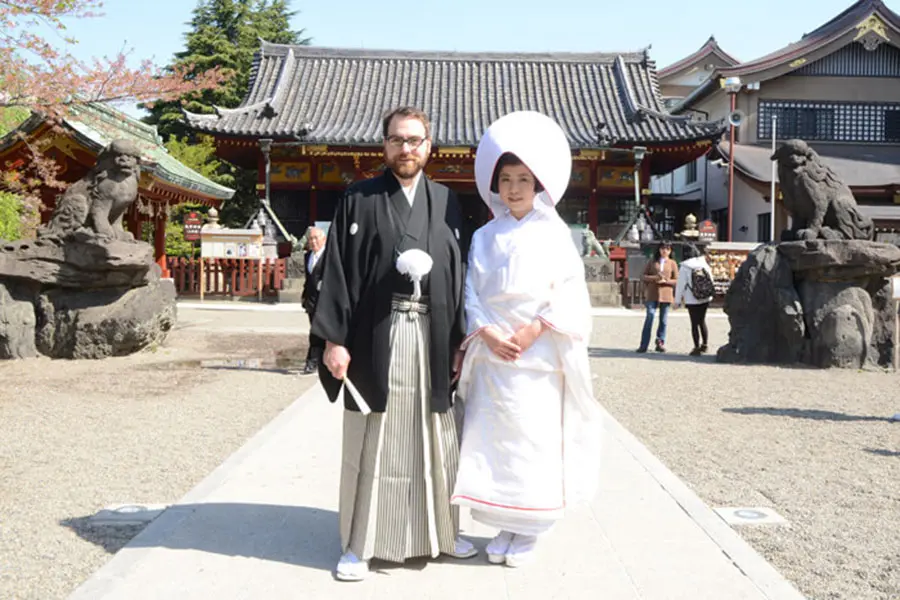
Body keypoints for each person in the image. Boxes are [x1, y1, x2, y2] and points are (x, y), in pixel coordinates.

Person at [310, 106, 476, 581]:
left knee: (435, 435)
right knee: (373, 438)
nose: (407, 149)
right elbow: (337, 270)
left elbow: (458, 273)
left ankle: (442, 533)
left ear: (430, 146)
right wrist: (334, 340)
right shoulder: (359, 198)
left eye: (416, 140)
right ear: (383, 145)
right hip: (375, 337)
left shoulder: (445, 201)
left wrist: (460, 340)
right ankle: (358, 543)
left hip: (433, 336)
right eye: (398, 140)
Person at [451, 111, 604, 568]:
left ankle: (531, 528)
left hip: (537, 353)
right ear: (494, 185)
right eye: (506, 179)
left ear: (538, 184)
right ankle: (505, 522)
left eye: (523, 178)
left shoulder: (556, 234)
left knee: (532, 441)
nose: (514, 188)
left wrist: (534, 329)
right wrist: (488, 333)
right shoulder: (483, 236)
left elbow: (569, 290)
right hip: (494, 353)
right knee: (494, 441)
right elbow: (470, 292)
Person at [636, 241, 678, 353]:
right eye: (663, 248)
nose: (665, 251)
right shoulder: (652, 261)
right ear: (659, 250)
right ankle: (644, 344)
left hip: (666, 293)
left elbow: (677, 280)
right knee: (650, 315)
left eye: (667, 249)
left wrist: (667, 281)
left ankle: (660, 341)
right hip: (652, 292)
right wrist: (655, 277)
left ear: (670, 251)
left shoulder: (673, 263)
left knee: (663, 320)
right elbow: (643, 276)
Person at [674, 243, 715, 356]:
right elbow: (711, 280)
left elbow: (680, 285)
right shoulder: (703, 264)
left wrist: (677, 301)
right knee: (702, 321)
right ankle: (705, 344)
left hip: (692, 298)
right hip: (705, 297)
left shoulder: (685, 266)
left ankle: (696, 347)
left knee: (694, 323)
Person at [301, 226, 326, 375]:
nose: (313, 241)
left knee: (318, 332)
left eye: (316, 238)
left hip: (324, 300)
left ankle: (313, 360)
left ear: (324, 239)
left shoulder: (329, 256)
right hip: (311, 300)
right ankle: (315, 360)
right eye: (311, 238)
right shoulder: (307, 256)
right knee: (315, 331)